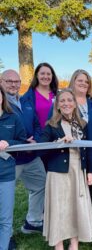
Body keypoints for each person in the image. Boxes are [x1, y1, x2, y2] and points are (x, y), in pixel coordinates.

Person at [39, 89, 92, 250]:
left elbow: (88, 149)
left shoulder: (82, 124)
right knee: (59, 207)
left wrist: (90, 171)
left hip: (78, 170)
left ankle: (74, 243)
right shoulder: (51, 125)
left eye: (69, 100)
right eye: (62, 101)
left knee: (75, 206)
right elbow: (41, 150)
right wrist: (59, 142)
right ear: (57, 105)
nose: (66, 103)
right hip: (58, 172)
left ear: (75, 103)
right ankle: (58, 244)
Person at [0, 70, 46, 240]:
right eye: (9, 81)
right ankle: (6, 235)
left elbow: (36, 124)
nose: (13, 84)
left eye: (16, 81)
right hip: (10, 160)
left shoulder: (25, 101)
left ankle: (32, 222)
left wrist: (36, 142)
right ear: (1, 82)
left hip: (31, 156)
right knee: (5, 198)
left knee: (41, 185)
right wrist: (21, 144)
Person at [0, 85, 27, 250]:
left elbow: (23, 141)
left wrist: (9, 143)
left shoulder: (13, 118)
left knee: (5, 218)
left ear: (2, 97)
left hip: (5, 174)